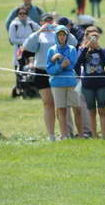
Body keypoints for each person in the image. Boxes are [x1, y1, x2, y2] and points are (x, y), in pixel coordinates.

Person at [24, 13, 78, 141]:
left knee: (62, 105)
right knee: (48, 103)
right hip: (42, 71)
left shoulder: (59, 33)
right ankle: (51, 135)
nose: (48, 23)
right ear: (41, 22)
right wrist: (39, 31)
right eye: (45, 21)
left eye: (50, 20)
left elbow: (74, 42)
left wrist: (60, 27)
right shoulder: (39, 35)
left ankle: (65, 133)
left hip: (59, 72)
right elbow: (27, 46)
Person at [46, 26, 82, 140]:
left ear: (67, 36)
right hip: (57, 84)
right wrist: (60, 66)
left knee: (77, 108)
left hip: (71, 82)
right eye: (59, 35)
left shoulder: (72, 49)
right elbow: (50, 69)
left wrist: (59, 58)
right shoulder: (51, 50)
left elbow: (71, 64)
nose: (62, 37)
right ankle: (64, 135)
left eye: (64, 35)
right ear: (56, 36)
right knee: (61, 109)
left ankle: (80, 135)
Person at [75, 27, 105, 139]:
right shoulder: (82, 50)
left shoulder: (103, 50)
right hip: (87, 85)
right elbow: (78, 62)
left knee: (102, 110)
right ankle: (94, 135)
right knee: (91, 111)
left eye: (95, 37)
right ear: (86, 37)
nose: (93, 39)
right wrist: (86, 47)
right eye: (91, 37)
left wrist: (98, 49)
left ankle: (104, 135)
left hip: (101, 85)